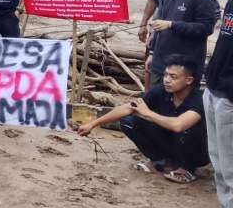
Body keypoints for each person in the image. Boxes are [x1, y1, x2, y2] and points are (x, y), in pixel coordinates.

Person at [78, 54, 209, 183]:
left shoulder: (199, 99)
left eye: (173, 77)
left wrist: (148, 113)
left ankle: (187, 169)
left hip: (197, 152)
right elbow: (128, 107)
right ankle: (160, 161)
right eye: (165, 75)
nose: (167, 80)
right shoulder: (161, 91)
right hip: (171, 142)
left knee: (188, 130)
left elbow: (178, 125)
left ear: (189, 80)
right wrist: (93, 124)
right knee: (129, 121)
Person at [194, 0, 233, 208]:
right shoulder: (232, 1)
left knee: (232, 162)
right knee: (219, 159)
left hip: (230, 94)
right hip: (217, 88)